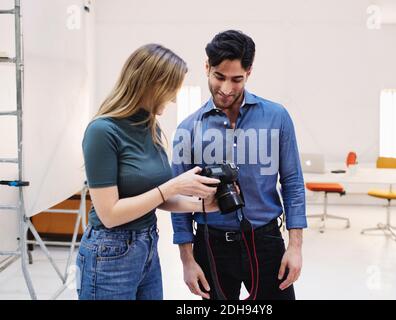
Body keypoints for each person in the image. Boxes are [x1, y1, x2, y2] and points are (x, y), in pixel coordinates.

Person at [76, 43, 220, 300]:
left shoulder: (150, 127)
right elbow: (109, 214)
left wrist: (203, 205)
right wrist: (173, 186)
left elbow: (154, 198)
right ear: (152, 85)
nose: (174, 98)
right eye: (171, 90)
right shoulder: (102, 131)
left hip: (147, 246)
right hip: (110, 251)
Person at [171, 30, 307, 300]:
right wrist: (187, 260)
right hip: (211, 245)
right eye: (219, 77)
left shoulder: (277, 117)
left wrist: (295, 246)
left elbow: (292, 183)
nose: (226, 88)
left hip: (266, 241)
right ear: (206, 67)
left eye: (237, 79)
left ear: (249, 72)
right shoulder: (188, 129)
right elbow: (179, 200)